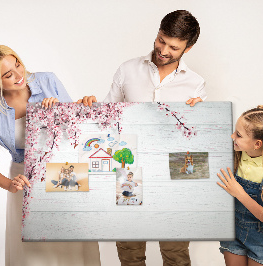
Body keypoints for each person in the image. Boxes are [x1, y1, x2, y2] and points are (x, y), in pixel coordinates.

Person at [79, 9, 205, 266]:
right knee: (130, 251)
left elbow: (196, 139)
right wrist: (89, 106)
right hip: (129, 170)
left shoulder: (196, 84)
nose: (164, 50)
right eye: (161, 40)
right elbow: (106, 119)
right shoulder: (127, 70)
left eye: (173, 47)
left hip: (173, 174)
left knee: (176, 253)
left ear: (187, 49)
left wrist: (200, 120)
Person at [0, 45, 100, 266]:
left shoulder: (47, 81)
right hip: (24, 180)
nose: (19, 75)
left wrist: (65, 110)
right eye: (8, 74)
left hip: (65, 170)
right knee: (34, 253)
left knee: (72, 244)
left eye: (18, 65)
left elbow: (77, 131)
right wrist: (9, 184)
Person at [217, 105, 263, 266]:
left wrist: (240, 193)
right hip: (233, 232)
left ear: (257, 144)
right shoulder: (235, 155)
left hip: (261, 239)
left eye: (239, 135)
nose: (232, 136)